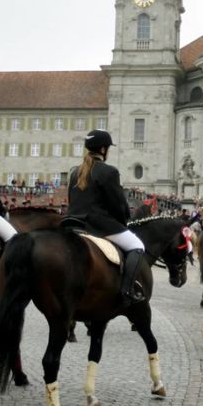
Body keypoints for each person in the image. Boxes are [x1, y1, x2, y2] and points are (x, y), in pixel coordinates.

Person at [67, 129, 147, 307]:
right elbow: (118, 205)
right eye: (108, 148)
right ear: (103, 149)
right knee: (137, 246)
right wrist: (124, 223)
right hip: (97, 225)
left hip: (72, 223)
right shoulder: (109, 171)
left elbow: (72, 201)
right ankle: (126, 292)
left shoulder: (75, 172)